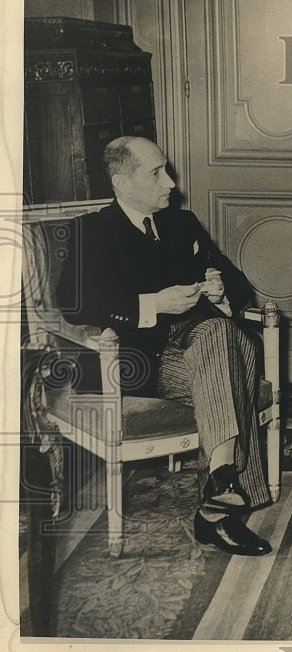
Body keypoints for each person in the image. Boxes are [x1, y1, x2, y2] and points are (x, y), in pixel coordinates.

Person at [57, 136, 272, 557]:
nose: (171, 182)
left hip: (200, 346)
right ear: (121, 182)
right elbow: (73, 302)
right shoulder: (93, 231)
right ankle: (218, 506)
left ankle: (221, 484)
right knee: (235, 348)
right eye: (157, 173)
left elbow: (239, 284)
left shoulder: (182, 224)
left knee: (220, 335)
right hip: (139, 361)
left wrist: (219, 290)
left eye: (167, 170)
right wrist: (153, 304)